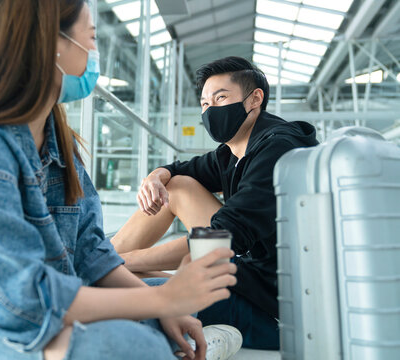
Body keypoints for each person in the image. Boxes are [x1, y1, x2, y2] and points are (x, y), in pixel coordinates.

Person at [0, 1, 243, 360]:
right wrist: (158, 301)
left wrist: (164, 305)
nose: (94, 52)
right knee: (133, 341)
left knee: (171, 312)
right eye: (90, 38)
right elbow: (20, 300)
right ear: (52, 43)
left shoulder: (57, 137)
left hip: (41, 304)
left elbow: (89, 251)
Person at [111, 56, 319, 350]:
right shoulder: (233, 152)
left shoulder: (278, 147)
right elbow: (182, 170)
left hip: (277, 311)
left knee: (120, 286)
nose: (210, 110)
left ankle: (100, 264)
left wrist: (117, 262)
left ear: (254, 99)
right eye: (205, 104)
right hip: (251, 276)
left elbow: (220, 240)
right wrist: (155, 176)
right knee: (177, 186)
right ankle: (99, 266)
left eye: (220, 98)